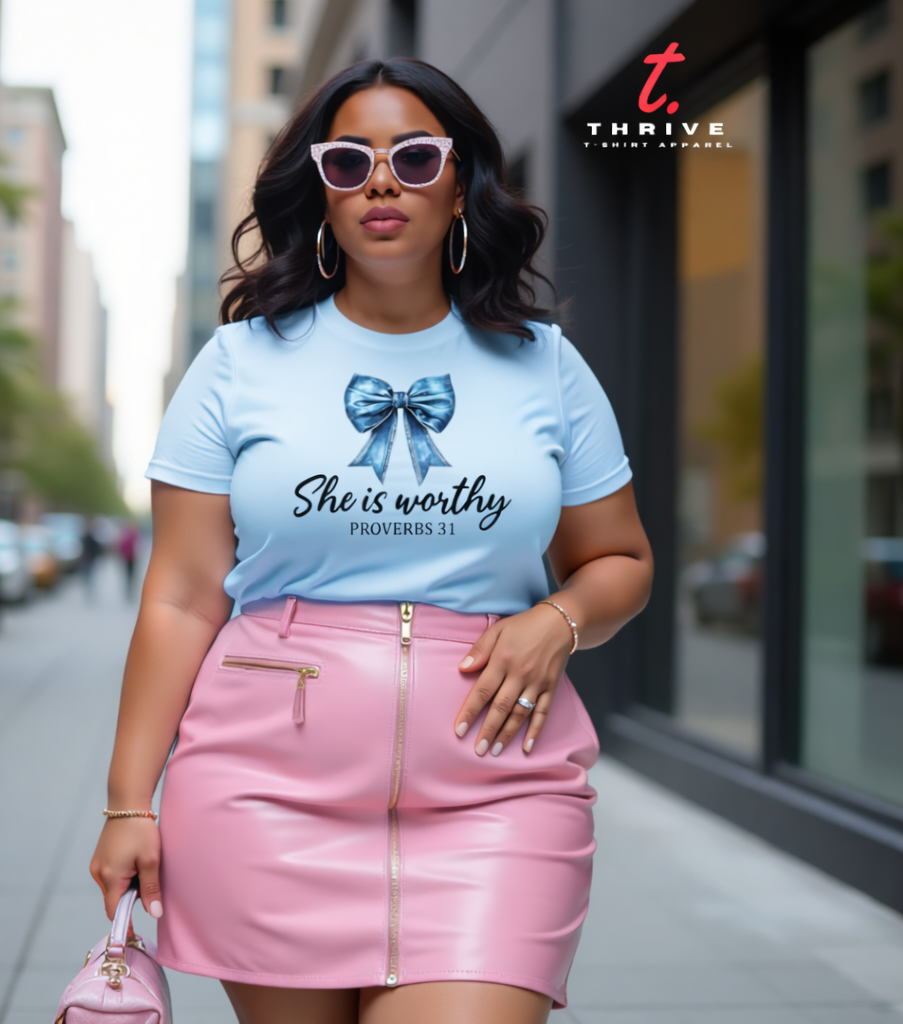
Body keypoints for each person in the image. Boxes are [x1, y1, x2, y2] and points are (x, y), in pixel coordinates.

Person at [91, 58, 653, 1024]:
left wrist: (558, 619)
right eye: (348, 161)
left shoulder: (546, 364)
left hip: (498, 798)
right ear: (320, 192)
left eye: (415, 157)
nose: (381, 181)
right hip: (263, 797)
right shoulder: (235, 366)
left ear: (462, 183)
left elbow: (622, 560)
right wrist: (128, 802)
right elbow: (182, 597)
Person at [117, 521, 140, 600]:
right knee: (130, 576)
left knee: (131, 576)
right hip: (129, 558)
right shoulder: (131, 535)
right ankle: (129, 592)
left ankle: (130, 592)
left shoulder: (130, 535)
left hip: (131, 558)